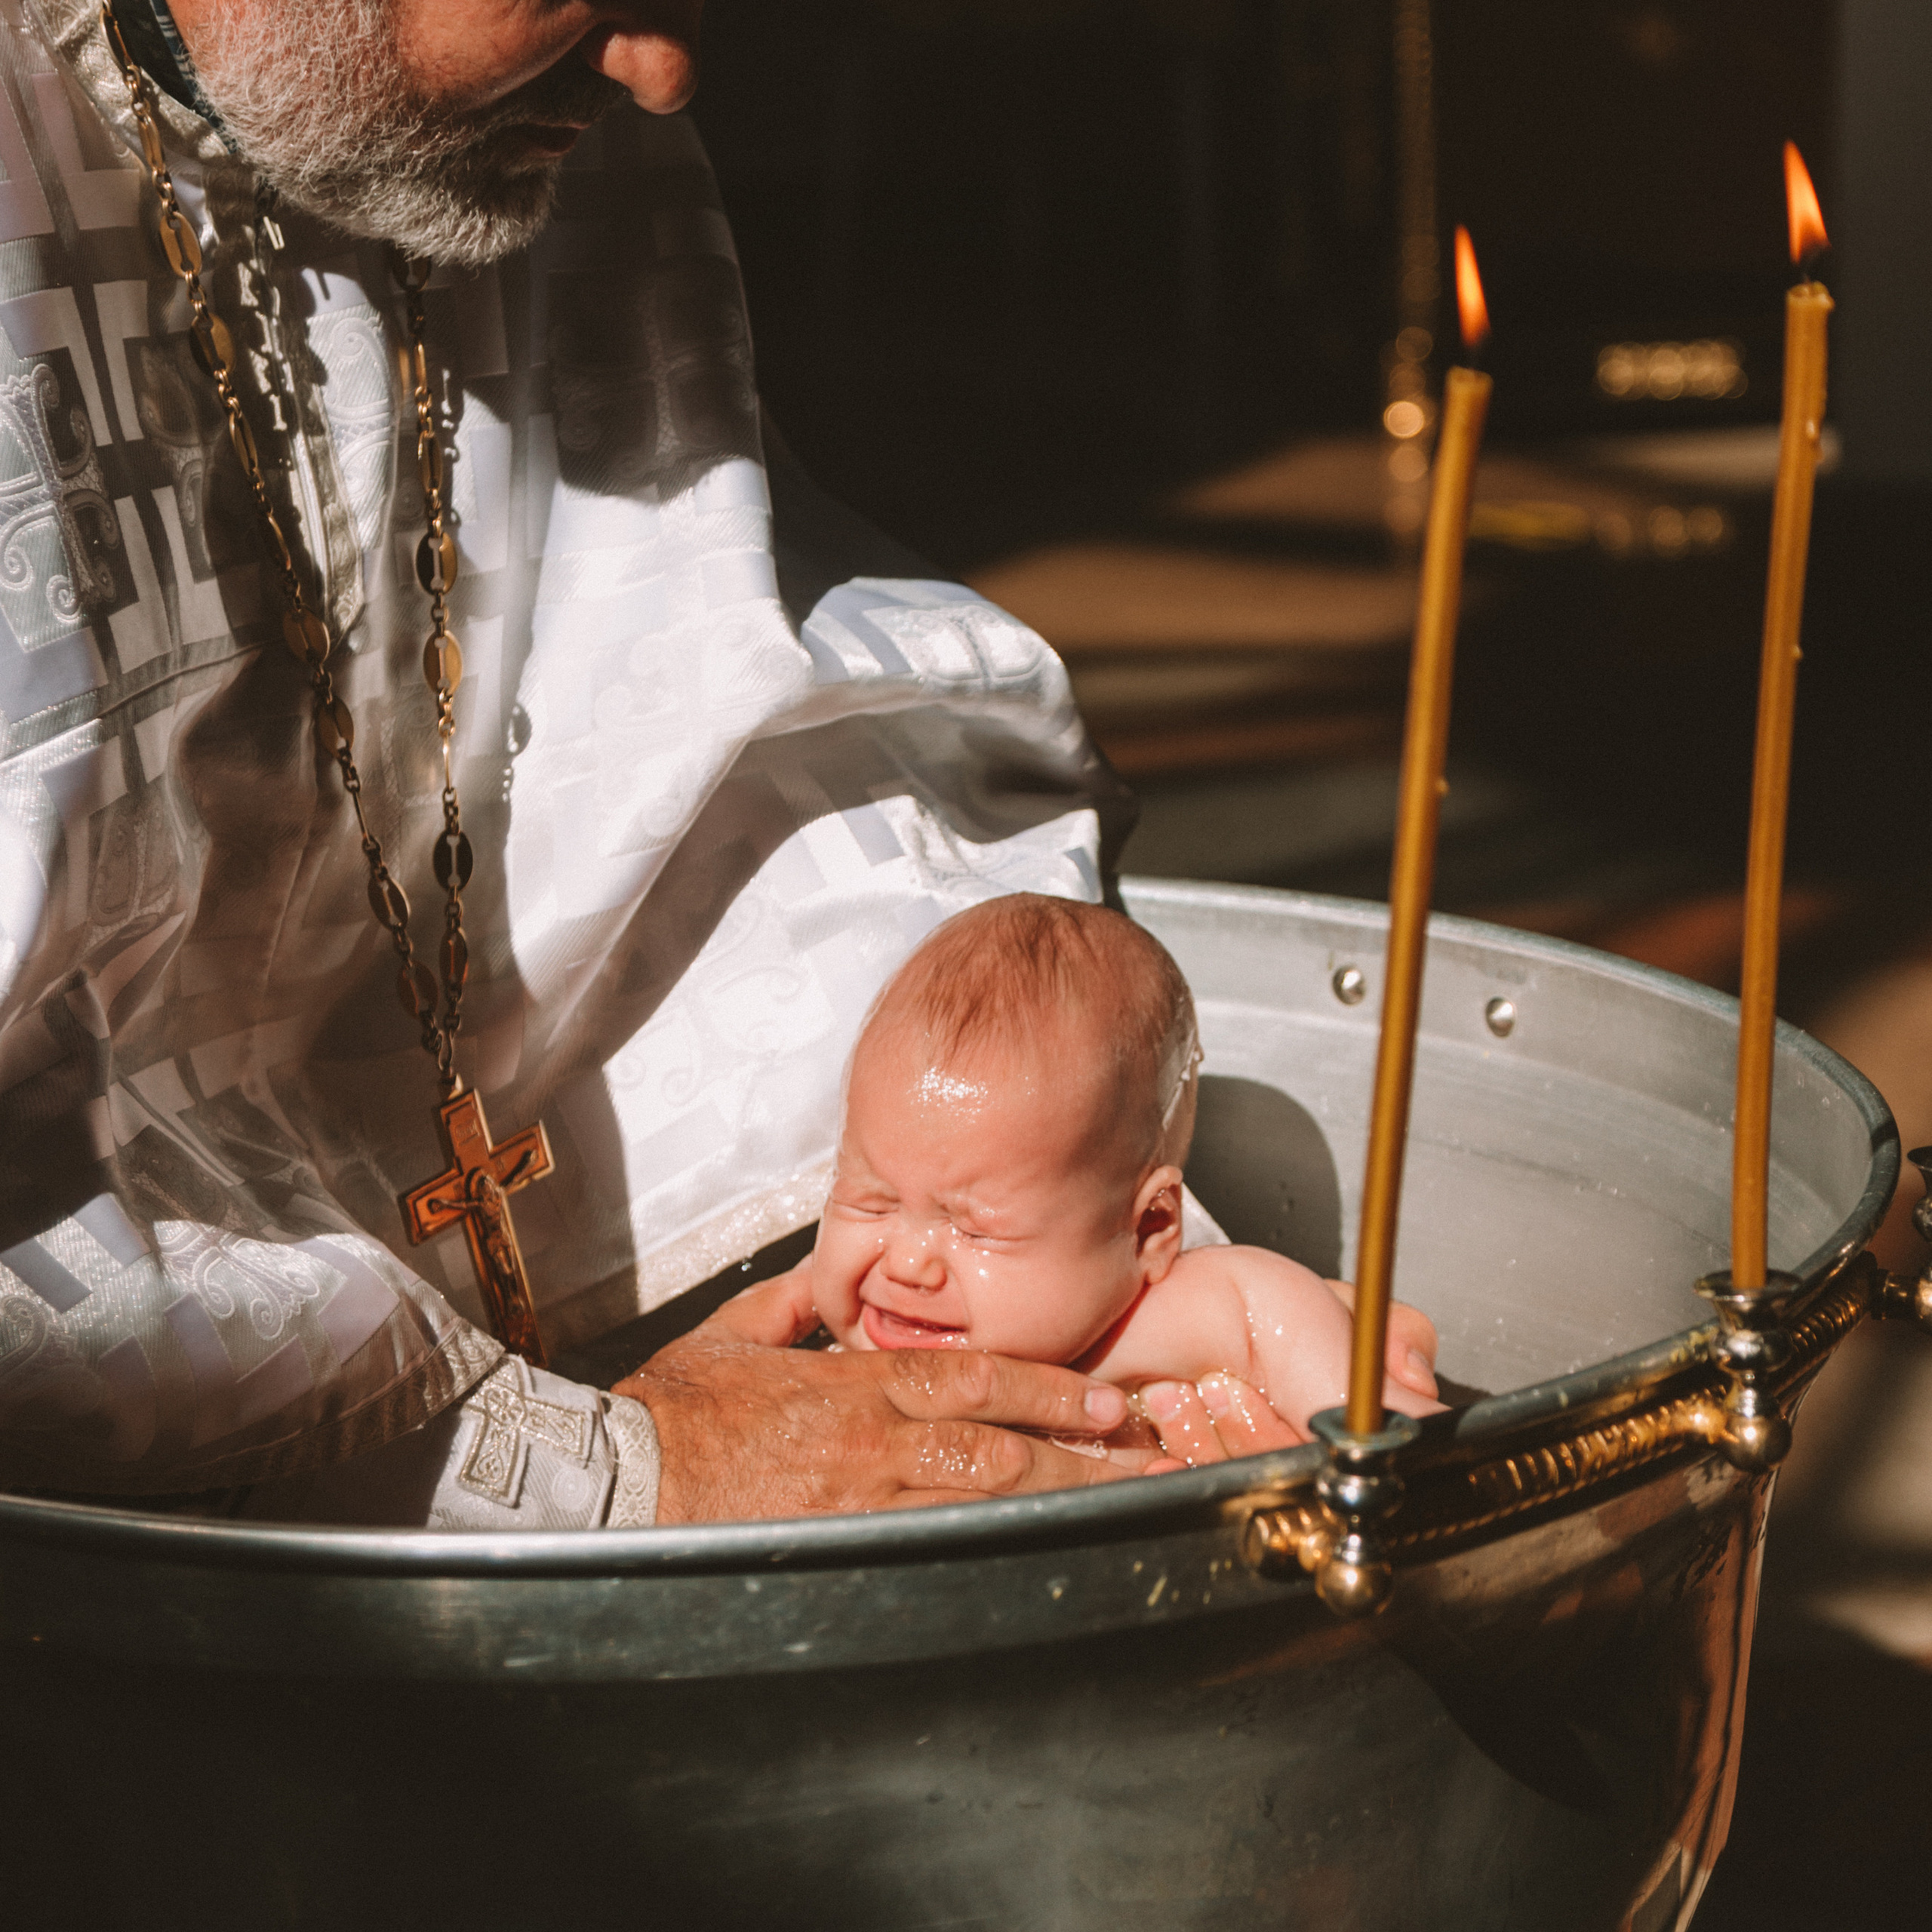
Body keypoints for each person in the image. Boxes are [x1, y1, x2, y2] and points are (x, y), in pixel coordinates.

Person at [0, 0, 1433, 1527]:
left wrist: (1084, 1249)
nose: (664, 75)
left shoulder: (541, 107)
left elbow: (712, 700)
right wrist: (588, 1466)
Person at [801, 895, 1440, 1461]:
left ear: (1149, 1229)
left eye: (975, 1230)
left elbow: (1408, 1455)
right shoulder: (813, 1335)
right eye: (870, 1203)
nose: (907, 1263)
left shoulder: (1191, 1318)